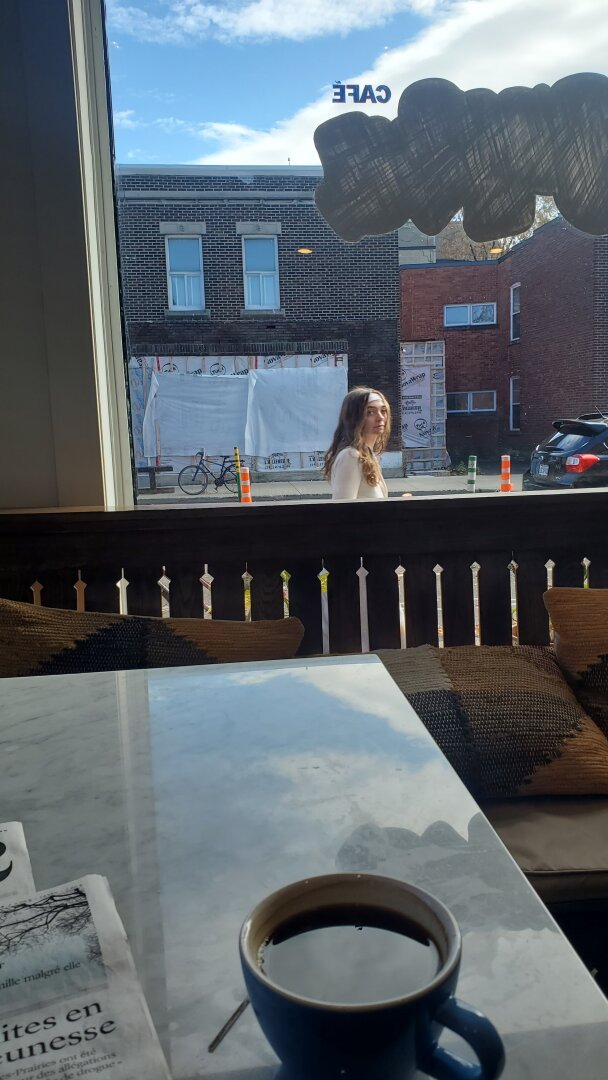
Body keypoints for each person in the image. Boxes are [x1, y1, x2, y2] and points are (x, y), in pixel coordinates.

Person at [325, 386, 394, 500]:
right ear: (354, 418)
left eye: (383, 411)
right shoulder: (350, 456)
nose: (380, 417)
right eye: (370, 412)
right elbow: (342, 511)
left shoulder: (367, 455)